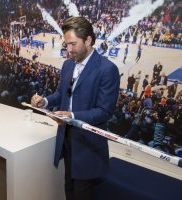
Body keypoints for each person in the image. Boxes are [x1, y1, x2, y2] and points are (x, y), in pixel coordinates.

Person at [31, 16, 120, 200]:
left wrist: (71, 116)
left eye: (73, 44)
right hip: (67, 140)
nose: (69, 50)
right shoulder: (67, 64)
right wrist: (45, 101)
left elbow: (104, 111)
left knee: (82, 194)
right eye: (66, 44)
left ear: (88, 40)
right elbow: (61, 94)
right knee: (69, 190)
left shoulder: (107, 69)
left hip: (88, 147)